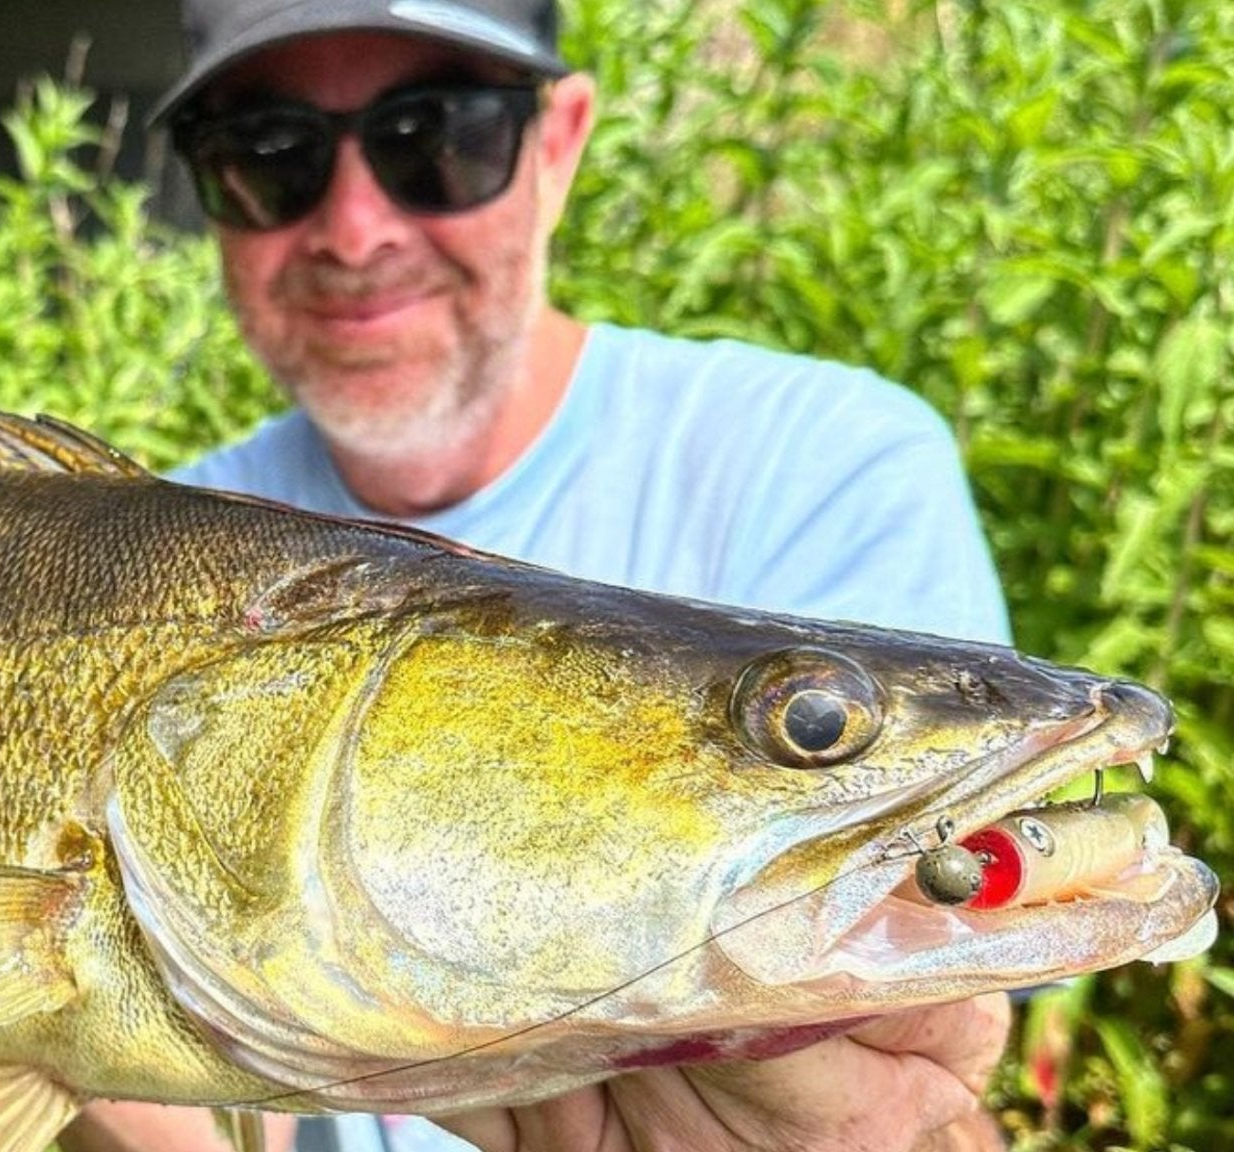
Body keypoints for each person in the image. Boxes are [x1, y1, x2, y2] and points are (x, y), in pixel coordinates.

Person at [62, 0, 1014, 1150]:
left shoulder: (824, 463)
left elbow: (923, 1079)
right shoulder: (113, 551)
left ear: (556, 146)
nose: (354, 231)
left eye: (437, 138)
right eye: (269, 159)